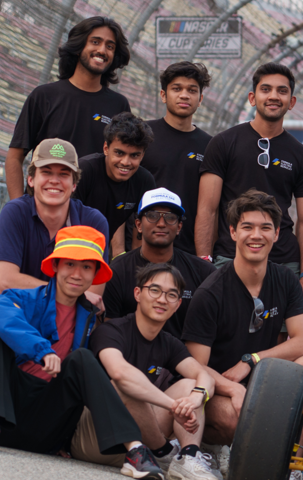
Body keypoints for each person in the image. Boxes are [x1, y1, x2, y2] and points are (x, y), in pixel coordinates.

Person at [0, 226, 164, 480]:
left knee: (83, 359)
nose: (77, 274)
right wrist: (41, 349)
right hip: (4, 416)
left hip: (45, 426)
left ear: (94, 275)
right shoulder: (21, 298)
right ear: (55, 265)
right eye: (69, 264)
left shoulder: (91, 319)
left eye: (87, 267)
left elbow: (88, 384)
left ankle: (135, 450)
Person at [181, 190, 303, 480]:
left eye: (265, 227)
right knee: (238, 419)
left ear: (277, 234)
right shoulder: (210, 292)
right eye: (247, 227)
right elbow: (194, 366)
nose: (256, 235)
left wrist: (252, 360)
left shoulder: (285, 280)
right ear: (233, 232)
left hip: (259, 381)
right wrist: (235, 390)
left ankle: (290, 469)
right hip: (220, 390)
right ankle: (216, 448)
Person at [85, 262, 219, 480]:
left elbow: (204, 376)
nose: (162, 299)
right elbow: (120, 373)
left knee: (190, 385)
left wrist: (196, 398)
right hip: (98, 436)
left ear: (178, 304)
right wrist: (174, 406)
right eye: (154, 290)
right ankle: (165, 452)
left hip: (141, 440)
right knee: (125, 383)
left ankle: (188, 457)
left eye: (171, 295)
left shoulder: (169, 343)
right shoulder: (112, 331)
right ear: (138, 293)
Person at [197, 63, 303, 302]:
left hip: (283, 261)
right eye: (266, 89)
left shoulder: (301, 155)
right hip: (229, 257)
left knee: (283, 335)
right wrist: (204, 263)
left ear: (291, 102)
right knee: (228, 333)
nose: (274, 96)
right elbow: (207, 210)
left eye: (282, 91)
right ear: (252, 98)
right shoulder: (223, 143)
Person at [0, 138, 110, 340]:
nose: (55, 180)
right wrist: (68, 293)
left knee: (94, 334)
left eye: (63, 174)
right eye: (46, 172)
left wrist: (18, 284)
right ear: (31, 179)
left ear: (74, 184)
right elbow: (6, 281)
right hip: (9, 305)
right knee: (0, 319)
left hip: (63, 316)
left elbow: (92, 298)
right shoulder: (15, 212)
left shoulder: (94, 222)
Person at [7, 17, 131, 200]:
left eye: (110, 46)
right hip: (44, 212)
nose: (102, 50)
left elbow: (123, 165)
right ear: (79, 46)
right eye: (95, 42)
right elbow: (14, 157)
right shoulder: (44, 96)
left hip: (91, 215)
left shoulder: (119, 105)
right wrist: (18, 208)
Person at [103, 189, 216, 338]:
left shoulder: (203, 272)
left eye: (170, 217)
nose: (161, 224)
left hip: (186, 358)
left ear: (179, 227)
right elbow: (109, 332)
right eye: (152, 216)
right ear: (138, 225)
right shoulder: (118, 271)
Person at [141, 61, 213, 253]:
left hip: (188, 249)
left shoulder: (210, 146)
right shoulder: (142, 135)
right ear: (163, 95)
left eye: (192, 90)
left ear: (200, 98)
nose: (184, 95)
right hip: (143, 247)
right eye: (177, 88)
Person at [73, 112, 156, 257]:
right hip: (67, 243)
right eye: (119, 153)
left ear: (143, 155)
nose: (125, 162)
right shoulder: (84, 170)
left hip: (100, 250)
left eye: (134, 155)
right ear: (106, 148)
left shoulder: (145, 181)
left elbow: (143, 231)